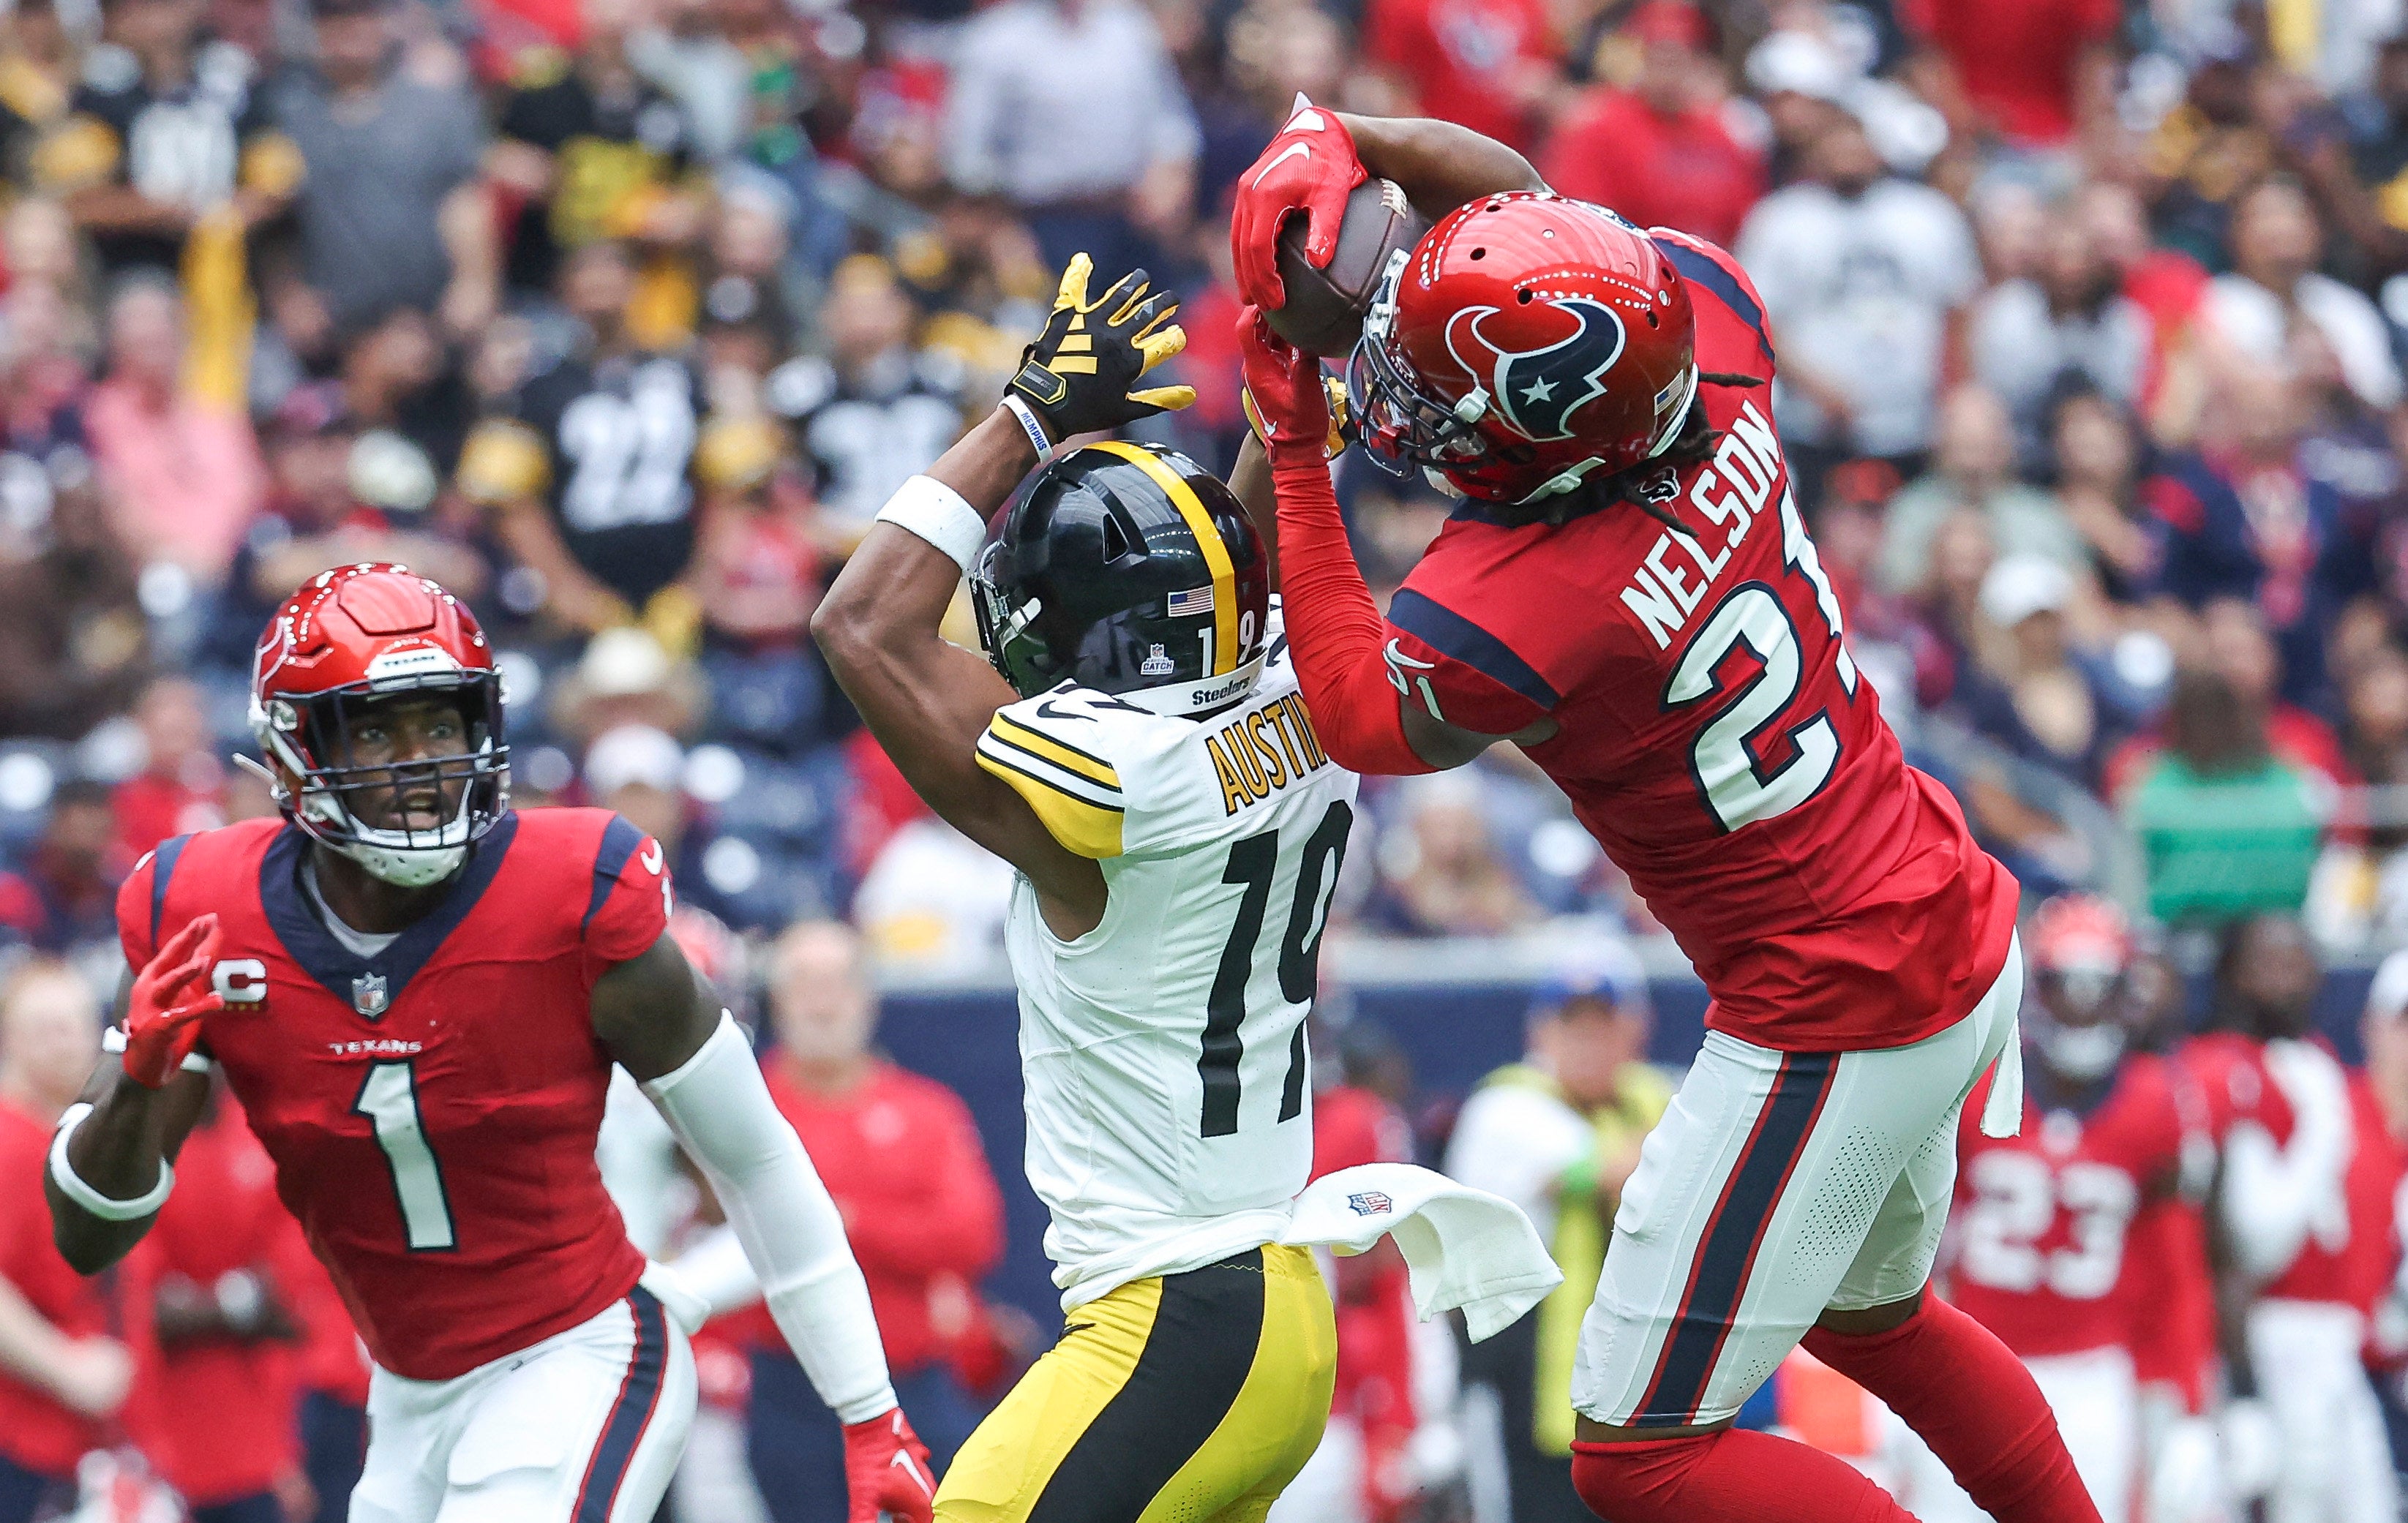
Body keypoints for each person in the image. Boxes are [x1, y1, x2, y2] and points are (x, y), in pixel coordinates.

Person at [1231, 104, 2095, 1523]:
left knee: (1638, 1456)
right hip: (1941, 904)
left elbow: (1355, 717)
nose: (1415, 414)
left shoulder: (1521, 599)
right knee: (1872, 1321)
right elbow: (1533, 217)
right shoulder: (1709, 321)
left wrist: (1289, 447)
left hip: (1833, 999)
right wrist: (1352, 131)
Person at [811, 252, 1557, 1522]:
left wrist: (1033, 414)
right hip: (1278, 1303)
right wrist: (1293, 349)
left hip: (1174, 1319)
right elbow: (1265, 550)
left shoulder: (1110, 785)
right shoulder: (1298, 691)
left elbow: (863, 623)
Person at [42, 563, 935, 1523]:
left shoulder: (571, 889)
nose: (420, 760)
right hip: (408, 1393)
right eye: (375, 726)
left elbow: (754, 1157)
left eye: (440, 720)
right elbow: (90, 1234)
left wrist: (868, 1410)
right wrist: (137, 1083)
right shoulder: (204, 911)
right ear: (295, 747)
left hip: (579, 1351)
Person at [1910, 895, 2210, 1523]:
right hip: (1972, 1355)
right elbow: (1914, 1239)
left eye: (2098, 986)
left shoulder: (2158, 1103)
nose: (2081, 1002)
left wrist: (2185, 1395)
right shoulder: (1975, 1085)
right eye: (2066, 984)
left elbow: (2174, 1267)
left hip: (2091, 1372)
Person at [738, 920, 1008, 1521]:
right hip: (790, 1391)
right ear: (776, 1000)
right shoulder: (745, 1107)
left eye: (838, 981)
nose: (822, 1000)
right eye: (804, 982)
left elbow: (972, 1237)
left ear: (867, 995)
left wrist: (847, 1220)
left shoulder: (925, 1109)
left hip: (915, 1380)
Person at [1442, 944, 1673, 1523]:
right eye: (1572, 1026)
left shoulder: (1649, 1099)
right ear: (1539, 1032)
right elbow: (1608, 1169)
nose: (1587, 1042)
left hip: (1636, 1388)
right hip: (1525, 1384)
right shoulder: (1505, 1106)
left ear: (1636, 1029)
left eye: (1604, 1025)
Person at [2181, 916, 2399, 1523]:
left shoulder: (2314, 1060)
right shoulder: (2222, 1068)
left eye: (2300, 959)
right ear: (2232, 973)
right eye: (2270, 962)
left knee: (2368, 1502)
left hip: (2333, 1336)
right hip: (2269, 1325)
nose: (2290, 977)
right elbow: (2248, 1242)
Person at [0, 961, 130, 1523]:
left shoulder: (71, 1138)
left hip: (70, 1439)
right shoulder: (11, 1143)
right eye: (47, 1028)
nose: (69, 1042)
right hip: (18, 1431)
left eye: (78, 1024)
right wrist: (67, 1369)